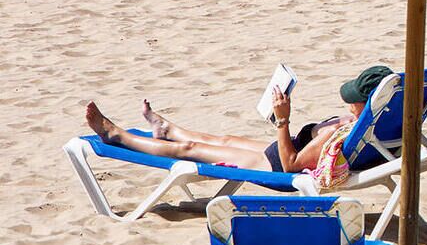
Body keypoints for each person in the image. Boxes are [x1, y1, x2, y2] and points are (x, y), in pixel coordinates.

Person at [81, 65, 392, 175]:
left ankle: (116, 135)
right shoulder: (382, 121)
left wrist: (282, 121)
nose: (348, 103)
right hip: (279, 151)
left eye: (353, 99)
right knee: (224, 140)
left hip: (274, 164)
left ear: (364, 102)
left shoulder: (343, 132)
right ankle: (166, 129)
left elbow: (291, 165)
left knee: (188, 150)